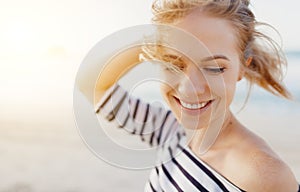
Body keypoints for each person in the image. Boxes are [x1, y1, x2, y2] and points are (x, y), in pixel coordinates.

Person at [76, 0, 299, 191]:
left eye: (214, 68)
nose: (188, 89)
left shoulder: (264, 175)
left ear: (242, 67)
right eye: (173, 63)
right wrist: (153, 40)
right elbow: (90, 83)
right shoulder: (168, 131)